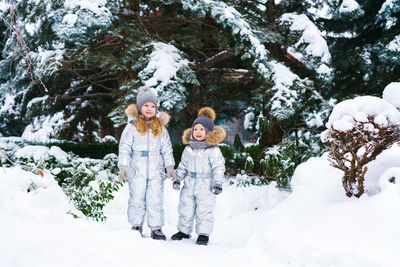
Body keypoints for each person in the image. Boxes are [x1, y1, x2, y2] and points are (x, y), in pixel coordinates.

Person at [118, 86, 176, 240]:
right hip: (137, 166)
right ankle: (136, 225)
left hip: (156, 167)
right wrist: (123, 166)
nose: (149, 109)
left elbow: (167, 149)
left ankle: (156, 227)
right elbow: (125, 147)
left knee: (155, 197)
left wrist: (169, 166)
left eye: (153, 106)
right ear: (139, 107)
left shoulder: (161, 128)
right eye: (146, 105)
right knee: (136, 196)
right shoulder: (131, 127)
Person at [171, 107, 226, 246]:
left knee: (204, 209)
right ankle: (184, 230)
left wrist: (217, 182)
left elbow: (218, 167)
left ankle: (203, 233)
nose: (198, 132)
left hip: (205, 184)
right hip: (189, 183)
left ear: (208, 132)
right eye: (196, 129)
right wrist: (178, 178)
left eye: (202, 129)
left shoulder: (213, 149)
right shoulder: (188, 148)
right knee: (185, 207)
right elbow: (183, 165)